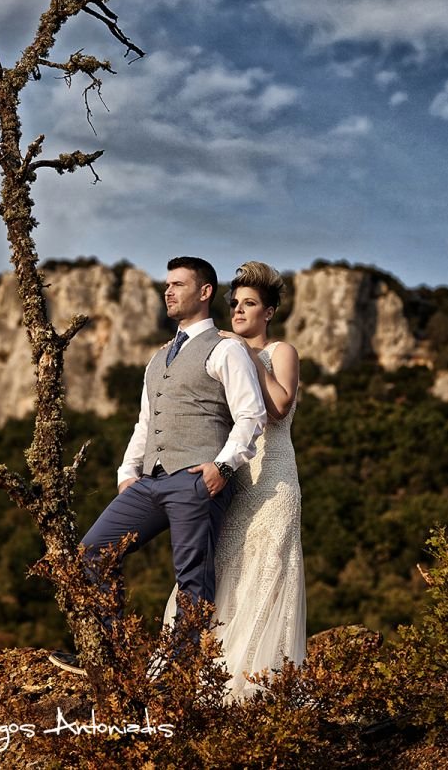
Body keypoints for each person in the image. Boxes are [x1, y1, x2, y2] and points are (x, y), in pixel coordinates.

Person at [49, 256, 267, 675]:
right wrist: (127, 474)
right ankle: (116, 657)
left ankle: (180, 678)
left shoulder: (226, 349)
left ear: (205, 292)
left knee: (192, 579)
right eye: (167, 285)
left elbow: (251, 415)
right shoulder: (157, 358)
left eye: (179, 285)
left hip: (197, 479)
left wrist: (221, 467)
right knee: (91, 553)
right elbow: (145, 423)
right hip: (150, 481)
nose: (168, 291)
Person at [163, 261, 307, 698]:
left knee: (266, 570)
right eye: (235, 304)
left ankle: (253, 687)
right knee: (218, 564)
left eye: (249, 304)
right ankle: (199, 673)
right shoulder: (222, 351)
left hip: (273, 477)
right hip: (233, 475)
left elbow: (278, 406)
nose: (239, 311)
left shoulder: (280, 351)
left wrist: (245, 355)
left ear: (270, 312)